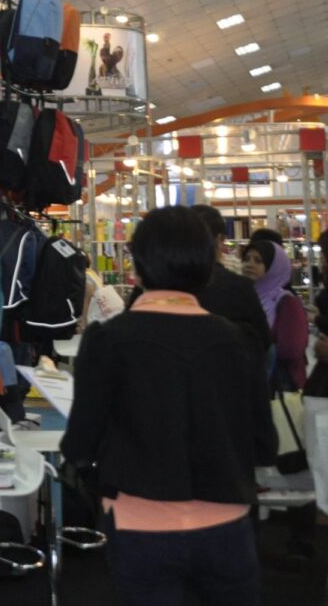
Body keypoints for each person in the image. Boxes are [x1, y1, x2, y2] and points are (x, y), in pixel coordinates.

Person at [62, 206, 274, 606]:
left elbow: (79, 446)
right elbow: (265, 443)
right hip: (226, 525)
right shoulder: (237, 342)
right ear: (208, 268)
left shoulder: (108, 340)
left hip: (140, 525)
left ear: (138, 269)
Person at [188, 205, 272, 371]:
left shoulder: (170, 285)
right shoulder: (239, 287)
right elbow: (263, 341)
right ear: (220, 239)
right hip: (228, 376)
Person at [243, 239, 308, 391]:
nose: (249, 264)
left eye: (258, 261)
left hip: (280, 384)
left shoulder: (286, 302)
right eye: (246, 259)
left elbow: (291, 348)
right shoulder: (245, 297)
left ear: (274, 267)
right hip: (252, 382)